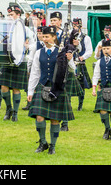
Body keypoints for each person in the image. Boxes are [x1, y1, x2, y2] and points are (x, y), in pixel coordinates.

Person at [27, 26, 75, 154]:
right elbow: (35, 73)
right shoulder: (39, 53)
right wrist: (30, 91)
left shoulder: (62, 51)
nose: (44, 39)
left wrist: (70, 60)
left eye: (47, 37)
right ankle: (43, 142)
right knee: (39, 117)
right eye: (43, 37)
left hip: (57, 89)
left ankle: (53, 145)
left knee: (55, 119)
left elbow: (72, 70)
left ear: (54, 37)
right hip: (42, 86)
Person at [0, 5, 31, 122]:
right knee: (3, 87)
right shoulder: (5, 27)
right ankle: (8, 109)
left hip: (19, 60)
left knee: (16, 88)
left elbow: (32, 43)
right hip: (6, 60)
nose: (10, 17)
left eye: (12, 15)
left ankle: (15, 113)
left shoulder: (26, 29)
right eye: (9, 15)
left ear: (18, 15)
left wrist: (27, 46)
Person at [71, 18, 92, 111]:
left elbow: (89, 51)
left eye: (76, 26)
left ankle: (80, 105)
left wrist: (82, 57)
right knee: (69, 84)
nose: (75, 27)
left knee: (81, 84)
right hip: (70, 62)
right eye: (74, 26)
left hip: (80, 63)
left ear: (80, 26)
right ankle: (69, 104)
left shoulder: (86, 38)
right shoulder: (70, 36)